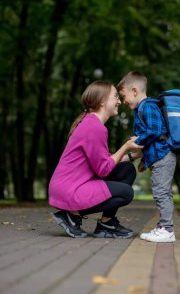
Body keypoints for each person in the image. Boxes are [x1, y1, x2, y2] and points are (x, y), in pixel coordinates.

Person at [48, 80, 143, 239]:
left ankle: (107, 223)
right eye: (115, 97)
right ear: (102, 101)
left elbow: (104, 161)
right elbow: (103, 169)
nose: (119, 101)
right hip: (70, 189)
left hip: (74, 185)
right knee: (126, 193)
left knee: (126, 170)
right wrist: (126, 146)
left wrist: (134, 155)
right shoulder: (94, 127)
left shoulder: (92, 123)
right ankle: (71, 216)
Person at [117, 71, 177, 243]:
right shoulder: (141, 108)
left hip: (164, 156)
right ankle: (164, 227)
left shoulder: (147, 106)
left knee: (161, 192)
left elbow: (155, 131)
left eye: (124, 95)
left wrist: (138, 140)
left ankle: (167, 229)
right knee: (162, 192)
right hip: (158, 156)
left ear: (134, 90)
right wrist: (144, 160)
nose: (123, 101)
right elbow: (153, 140)